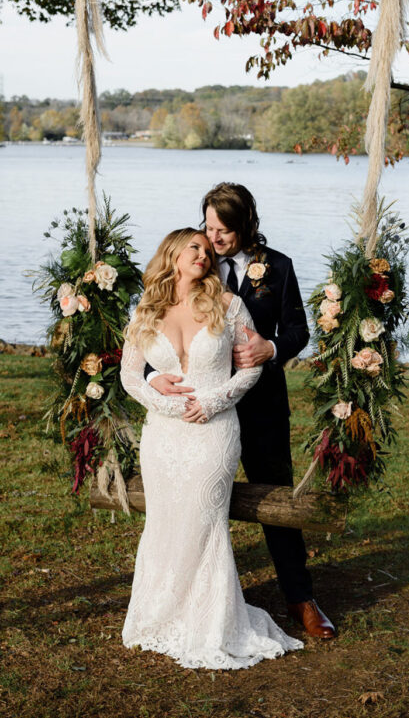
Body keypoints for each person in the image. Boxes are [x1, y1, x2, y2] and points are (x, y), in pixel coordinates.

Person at [146, 183, 336, 639]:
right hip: (200, 414)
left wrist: (270, 347)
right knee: (189, 502)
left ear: (246, 225)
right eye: (208, 227)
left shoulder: (278, 267)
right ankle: (188, 596)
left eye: (224, 230)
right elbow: (154, 331)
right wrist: (153, 376)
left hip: (262, 405)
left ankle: (300, 597)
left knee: (275, 499)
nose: (214, 239)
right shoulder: (190, 266)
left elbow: (298, 330)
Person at [120, 227, 303, 669]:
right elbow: (128, 375)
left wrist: (212, 400)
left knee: (204, 521)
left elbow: (250, 369)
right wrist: (154, 387)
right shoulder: (145, 310)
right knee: (165, 522)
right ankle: (161, 612)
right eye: (195, 247)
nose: (204, 254)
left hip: (214, 429)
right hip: (162, 435)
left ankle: (210, 620)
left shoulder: (229, 304)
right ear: (172, 255)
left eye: (207, 248)